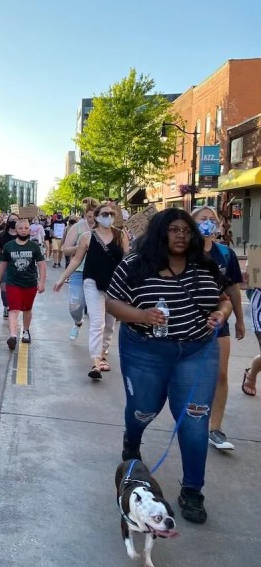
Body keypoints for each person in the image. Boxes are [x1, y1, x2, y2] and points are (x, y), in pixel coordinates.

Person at [106, 208, 231, 524]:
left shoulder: (205, 264)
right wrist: (142, 315)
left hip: (197, 351)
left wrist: (222, 314)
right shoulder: (135, 264)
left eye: (186, 230)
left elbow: (224, 298)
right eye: (174, 230)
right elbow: (112, 303)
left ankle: (192, 490)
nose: (181, 236)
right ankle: (132, 441)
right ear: (160, 232)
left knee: (194, 421)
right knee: (143, 409)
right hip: (145, 350)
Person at [54, 202, 130, 379]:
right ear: (96, 217)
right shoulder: (87, 237)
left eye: (111, 214)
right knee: (97, 322)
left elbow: (127, 257)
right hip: (92, 282)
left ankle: (102, 353)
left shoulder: (120, 235)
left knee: (110, 323)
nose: (108, 217)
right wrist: (62, 278)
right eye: (104, 214)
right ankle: (96, 362)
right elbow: (76, 260)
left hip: (114, 284)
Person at [191, 206, 245, 451]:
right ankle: (191, 419)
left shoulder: (225, 253)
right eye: (203, 219)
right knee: (191, 374)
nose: (208, 223)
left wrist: (239, 319)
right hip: (189, 321)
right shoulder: (183, 250)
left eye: (212, 219)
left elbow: (233, 289)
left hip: (218, 320)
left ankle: (215, 428)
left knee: (221, 374)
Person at [0, 218, 45, 350]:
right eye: (21, 228)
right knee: (14, 309)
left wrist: (41, 282)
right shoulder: (9, 246)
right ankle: (12, 336)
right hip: (13, 283)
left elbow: (41, 265)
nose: (23, 231)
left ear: (30, 230)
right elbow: (2, 265)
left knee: (27, 309)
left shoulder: (34, 246)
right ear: (16, 230)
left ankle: (26, 331)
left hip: (30, 283)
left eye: (26, 228)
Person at [60, 199, 97, 340]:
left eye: (95, 216)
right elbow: (65, 249)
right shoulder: (78, 228)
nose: (92, 220)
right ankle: (77, 321)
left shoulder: (105, 228)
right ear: (85, 215)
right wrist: (81, 246)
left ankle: (100, 342)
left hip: (99, 272)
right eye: (89, 217)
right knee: (75, 305)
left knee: (99, 310)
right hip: (79, 270)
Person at [0, 214, 19, 318]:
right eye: (11, 219)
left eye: (16, 219)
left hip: (18, 264)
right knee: (4, 287)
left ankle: (14, 306)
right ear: (8, 221)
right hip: (4, 265)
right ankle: (6, 305)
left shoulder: (22, 235)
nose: (13, 221)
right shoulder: (1, 236)